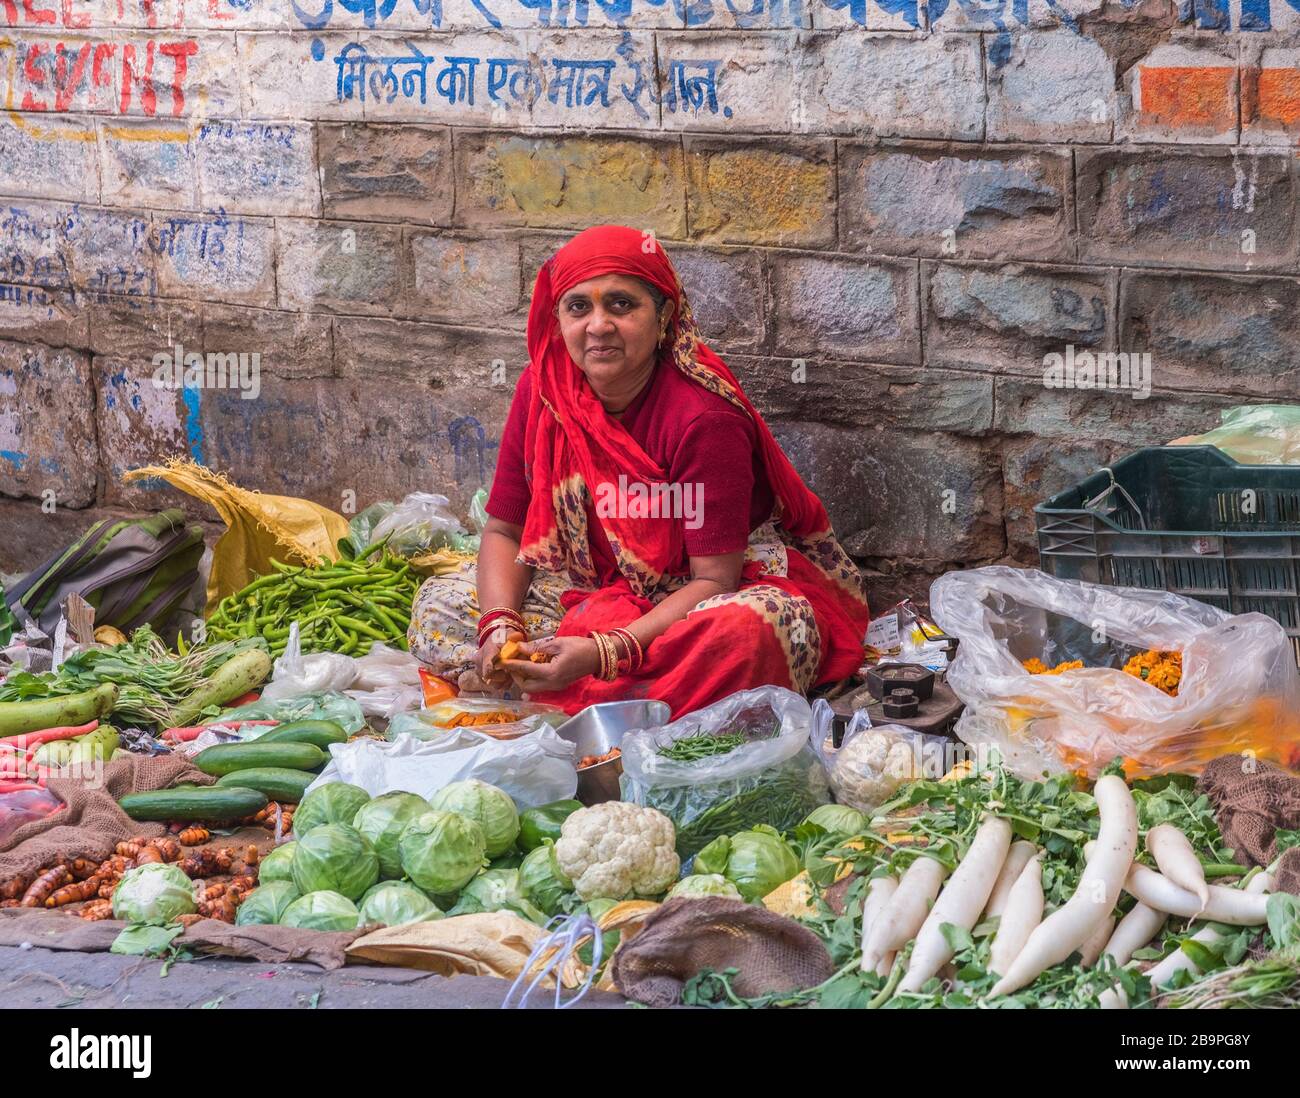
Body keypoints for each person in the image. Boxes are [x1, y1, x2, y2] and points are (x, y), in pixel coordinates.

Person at [408, 225, 869, 717]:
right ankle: (582, 690)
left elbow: (715, 579)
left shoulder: (704, 418)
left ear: (664, 316)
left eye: (622, 305)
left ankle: (553, 691)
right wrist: (500, 629)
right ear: (558, 317)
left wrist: (606, 651)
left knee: (749, 634)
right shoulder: (544, 393)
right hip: (586, 583)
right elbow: (505, 530)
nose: (598, 326)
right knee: (441, 605)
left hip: (695, 592)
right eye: (578, 307)